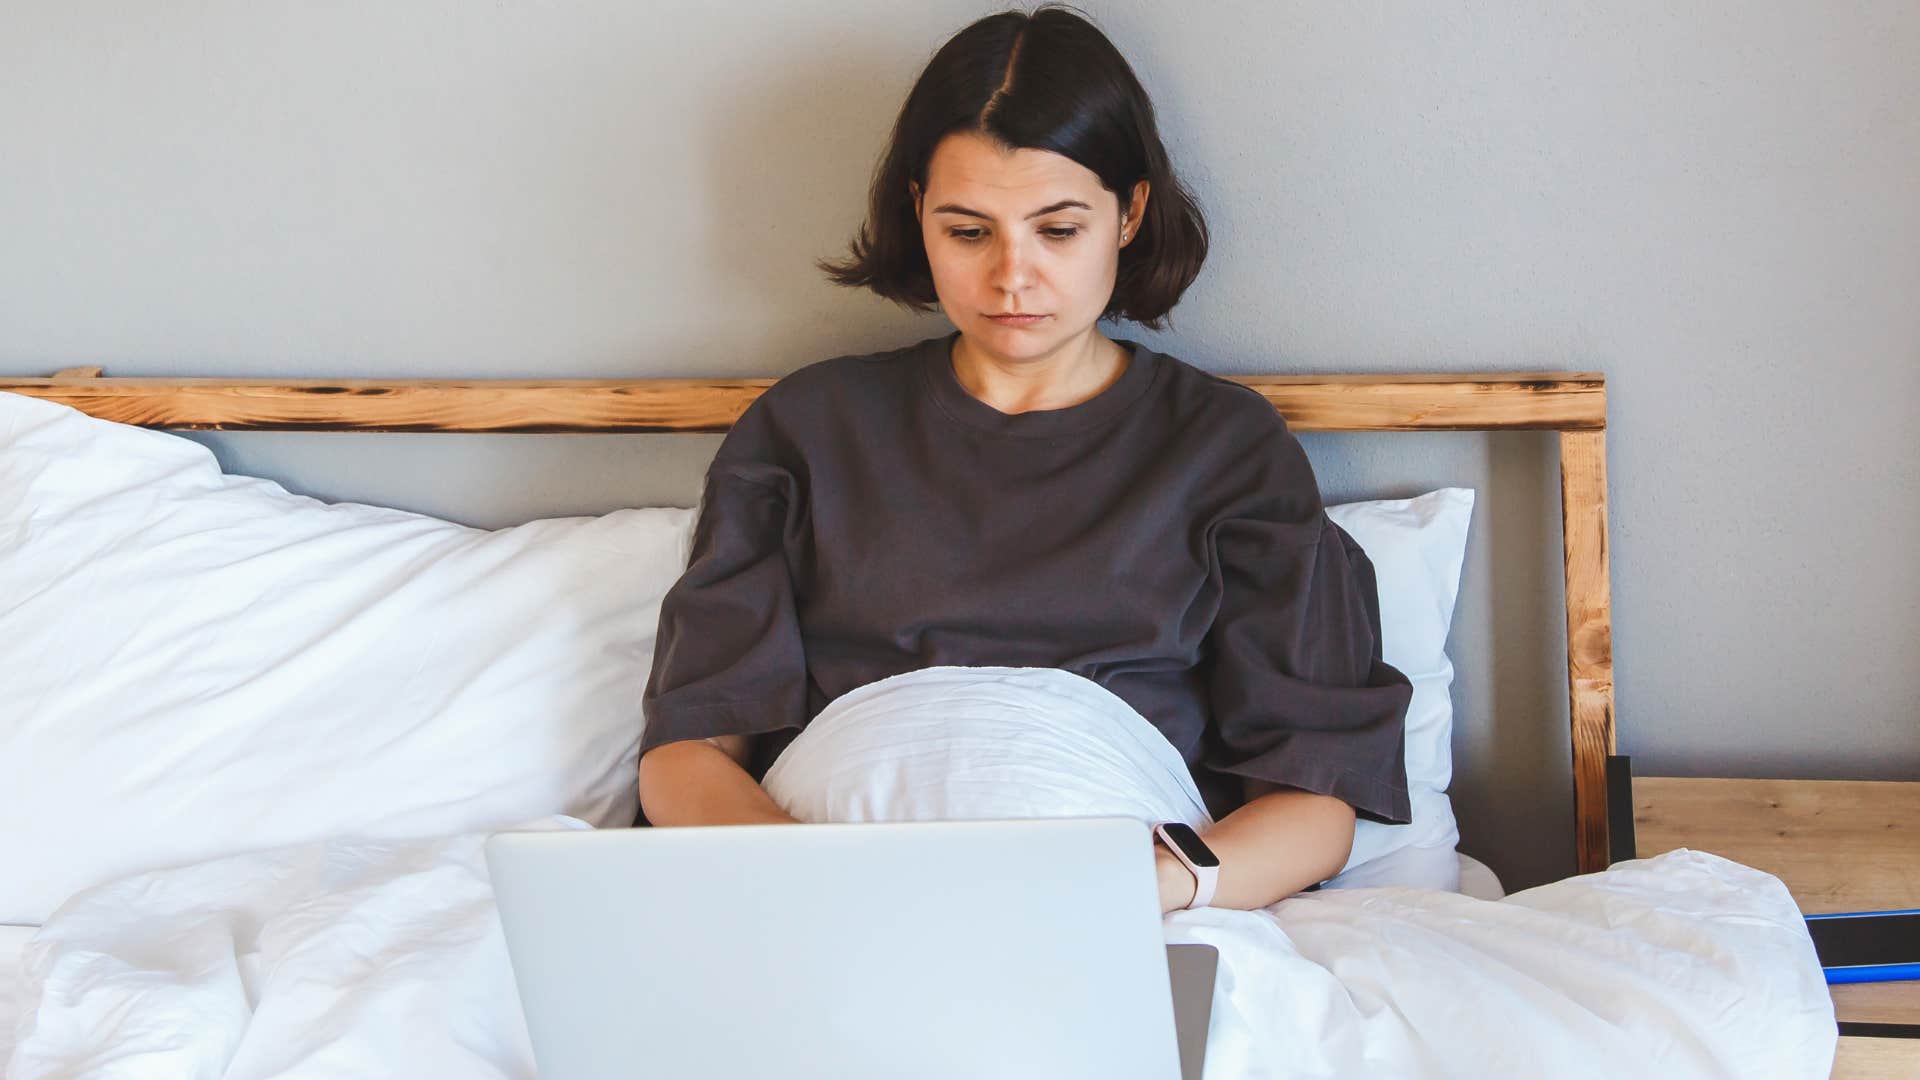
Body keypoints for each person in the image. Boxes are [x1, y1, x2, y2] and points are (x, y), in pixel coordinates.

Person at [637, 5, 1413, 915]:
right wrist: (824, 889)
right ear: (917, 212)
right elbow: (688, 751)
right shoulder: (807, 428)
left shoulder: (1227, 449)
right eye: (969, 232)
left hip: (1121, 899)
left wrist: (1132, 892)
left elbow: (1314, 798)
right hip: (821, 897)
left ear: (1129, 213)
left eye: (1058, 230)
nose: (1012, 277)